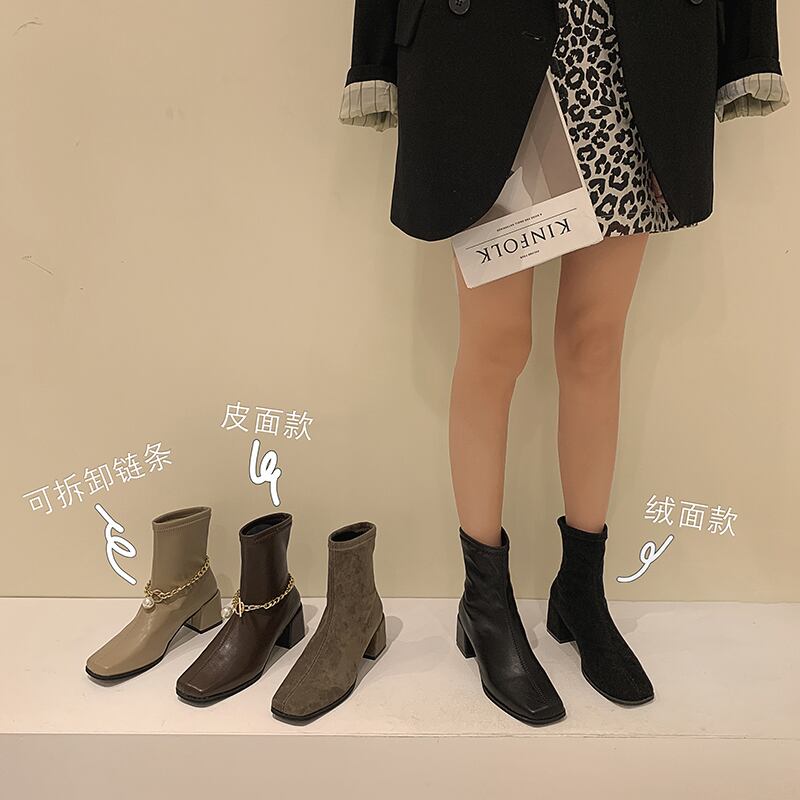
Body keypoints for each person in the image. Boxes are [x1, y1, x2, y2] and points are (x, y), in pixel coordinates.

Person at [338, 0, 790, 724]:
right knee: (495, 344)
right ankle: (485, 604)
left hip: (630, 45)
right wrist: (373, 60)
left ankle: (580, 590)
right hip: (482, 45)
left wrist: (748, 47)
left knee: (596, 340)